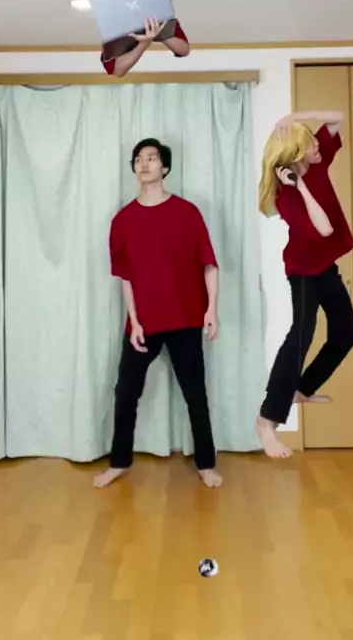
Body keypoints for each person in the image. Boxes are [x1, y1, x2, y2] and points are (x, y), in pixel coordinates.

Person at [93, 138, 222, 489]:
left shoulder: (188, 213)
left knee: (195, 393)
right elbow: (126, 278)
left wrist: (211, 308)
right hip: (144, 322)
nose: (144, 164)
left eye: (151, 158)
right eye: (138, 159)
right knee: (125, 392)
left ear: (164, 167)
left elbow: (209, 264)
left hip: (186, 318)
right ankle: (119, 462)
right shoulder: (122, 220)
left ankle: (206, 464)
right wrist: (134, 320)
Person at [256, 112, 353, 460]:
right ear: (295, 155)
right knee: (302, 333)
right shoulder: (286, 196)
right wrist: (299, 186)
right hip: (303, 271)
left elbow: (338, 118)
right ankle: (266, 421)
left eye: (315, 141)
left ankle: (302, 388)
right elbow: (324, 229)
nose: (317, 144)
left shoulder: (317, 162)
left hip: (325, 267)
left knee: (346, 332)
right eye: (309, 143)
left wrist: (295, 117)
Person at [90, 0, 190, 77]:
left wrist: (159, 31)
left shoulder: (157, 5)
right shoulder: (112, 24)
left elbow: (184, 50)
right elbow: (118, 71)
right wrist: (144, 43)